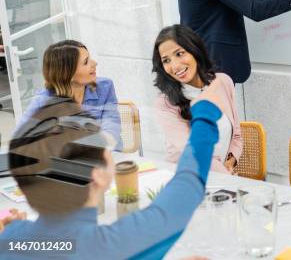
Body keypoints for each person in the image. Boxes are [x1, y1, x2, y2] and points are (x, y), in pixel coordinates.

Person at [2, 81, 223, 259]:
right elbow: (188, 184)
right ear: (96, 174)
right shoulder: (113, 244)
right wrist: (205, 112)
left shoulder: (12, 238)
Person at [152, 25, 242, 174]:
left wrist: (230, 162)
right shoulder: (165, 103)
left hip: (221, 179)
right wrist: (229, 179)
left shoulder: (223, 82)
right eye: (166, 60)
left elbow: (237, 135)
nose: (175, 66)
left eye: (179, 54)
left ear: (195, 50)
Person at [16, 40, 123, 150]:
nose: (95, 63)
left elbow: (112, 124)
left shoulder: (104, 87)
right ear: (68, 73)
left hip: (108, 155)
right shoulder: (43, 100)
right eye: (86, 62)